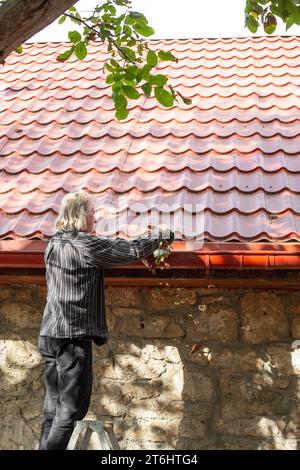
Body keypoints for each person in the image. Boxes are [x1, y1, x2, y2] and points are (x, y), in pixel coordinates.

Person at [37, 189, 173, 450]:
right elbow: (129, 250)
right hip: (72, 336)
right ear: (81, 216)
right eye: (92, 214)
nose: (95, 220)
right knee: (70, 410)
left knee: (52, 409)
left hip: (49, 334)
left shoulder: (54, 243)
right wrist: (159, 236)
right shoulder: (87, 245)